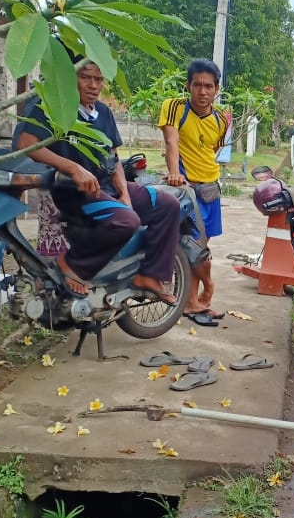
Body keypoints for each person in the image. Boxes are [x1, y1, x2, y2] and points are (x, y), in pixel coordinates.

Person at [15, 58, 182, 302]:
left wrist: (124, 192)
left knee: (168, 205)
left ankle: (150, 275)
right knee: (127, 220)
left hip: (106, 188)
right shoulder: (51, 106)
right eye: (85, 77)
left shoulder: (103, 112)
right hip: (75, 192)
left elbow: (112, 157)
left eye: (98, 79)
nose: (93, 85)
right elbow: (26, 144)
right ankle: (71, 265)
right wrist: (72, 168)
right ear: (70, 77)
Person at [158, 58, 230, 325]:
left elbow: (210, 152)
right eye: (197, 85)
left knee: (200, 249)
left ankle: (192, 302)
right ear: (188, 85)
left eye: (209, 86)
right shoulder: (175, 107)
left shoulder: (221, 121)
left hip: (211, 190)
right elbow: (171, 141)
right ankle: (203, 292)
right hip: (187, 190)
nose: (203, 91)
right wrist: (176, 172)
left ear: (217, 89)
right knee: (194, 250)